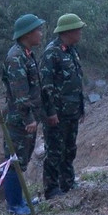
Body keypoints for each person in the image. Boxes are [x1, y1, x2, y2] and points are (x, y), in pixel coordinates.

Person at [2, 14, 46, 215]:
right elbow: (20, 91)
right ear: (28, 33)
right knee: (14, 162)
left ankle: (20, 201)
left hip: (26, 119)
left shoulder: (26, 53)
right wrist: (28, 118)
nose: (41, 33)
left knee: (22, 160)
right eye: (38, 30)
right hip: (19, 120)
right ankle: (14, 206)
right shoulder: (16, 57)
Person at [40, 13, 86, 199]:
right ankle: (51, 189)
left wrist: (81, 108)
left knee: (69, 149)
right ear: (69, 31)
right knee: (54, 151)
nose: (81, 33)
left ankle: (67, 182)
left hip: (71, 112)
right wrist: (50, 112)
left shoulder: (71, 50)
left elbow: (76, 82)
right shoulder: (52, 52)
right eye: (78, 29)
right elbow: (46, 86)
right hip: (57, 114)